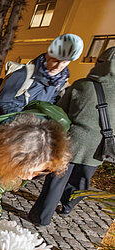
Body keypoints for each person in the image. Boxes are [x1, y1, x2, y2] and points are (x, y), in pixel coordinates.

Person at [28, 47, 115, 226]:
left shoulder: (82, 85)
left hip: (71, 141)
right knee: (82, 179)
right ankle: (68, 206)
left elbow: (61, 111)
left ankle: (41, 217)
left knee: (56, 181)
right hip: (97, 147)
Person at [0, 34, 84, 115]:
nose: (58, 67)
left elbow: (50, 103)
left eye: (64, 62)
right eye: (55, 61)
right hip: (15, 127)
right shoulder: (23, 74)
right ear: (48, 55)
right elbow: (3, 102)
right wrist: (23, 121)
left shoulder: (60, 81)